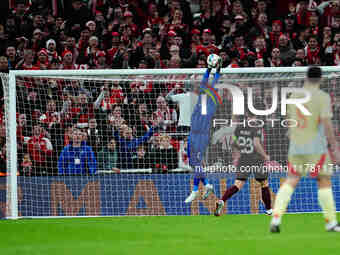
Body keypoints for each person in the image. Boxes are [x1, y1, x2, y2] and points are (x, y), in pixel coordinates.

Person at [270, 66, 340, 233]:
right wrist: (334, 146)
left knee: (291, 179)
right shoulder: (322, 97)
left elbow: (289, 119)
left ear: (306, 78)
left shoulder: (294, 95)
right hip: (316, 145)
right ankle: (330, 222)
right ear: (320, 79)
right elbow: (326, 123)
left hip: (296, 144)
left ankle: (276, 218)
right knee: (323, 180)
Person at [214, 112, 272, 216]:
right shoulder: (256, 128)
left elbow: (234, 143)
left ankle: (222, 201)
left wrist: (236, 156)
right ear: (254, 117)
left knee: (237, 185)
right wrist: (265, 155)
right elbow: (256, 143)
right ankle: (269, 210)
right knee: (264, 184)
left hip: (244, 159)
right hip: (256, 160)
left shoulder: (238, 129)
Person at [184, 55, 222, 203]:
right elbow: (205, 81)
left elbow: (214, 81)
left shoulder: (211, 105)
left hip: (201, 136)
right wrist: (208, 69)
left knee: (197, 163)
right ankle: (206, 185)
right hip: (192, 134)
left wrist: (217, 71)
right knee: (193, 163)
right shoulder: (202, 98)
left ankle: (196, 189)